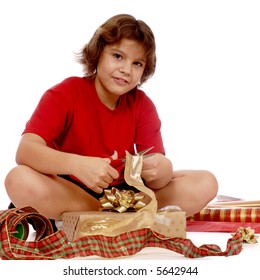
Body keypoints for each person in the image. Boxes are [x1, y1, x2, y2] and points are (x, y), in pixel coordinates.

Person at [4, 14, 218, 223]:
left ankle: (95, 219)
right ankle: (112, 217)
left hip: (127, 196)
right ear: (97, 53)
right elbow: (25, 151)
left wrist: (162, 169)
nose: (126, 70)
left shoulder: (142, 105)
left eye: (137, 63)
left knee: (205, 183)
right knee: (19, 179)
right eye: (118, 56)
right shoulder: (65, 94)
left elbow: (158, 179)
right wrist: (78, 166)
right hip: (73, 192)